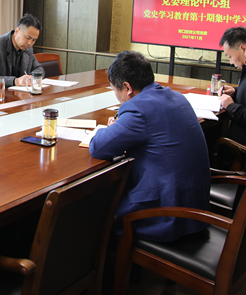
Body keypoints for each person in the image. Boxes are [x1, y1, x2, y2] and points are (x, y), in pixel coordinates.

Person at [89, 51, 210, 242]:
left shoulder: (138, 109)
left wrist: (108, 129)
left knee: (97, 214)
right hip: (196, 206)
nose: (117, 97)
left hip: (167, 215)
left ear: (127, 87)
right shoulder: (177, 97)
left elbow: (98, 148)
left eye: (115, 90)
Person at [0, 13, 45, 89]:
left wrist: (31, 78)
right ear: (17, 31)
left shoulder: (27, 48)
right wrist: (15, 81)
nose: (30, 43)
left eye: (34, 40)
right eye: (28, 38)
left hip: (14, 93)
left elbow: (39, 69)